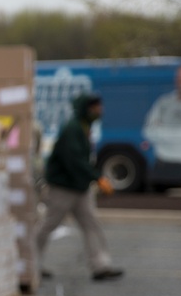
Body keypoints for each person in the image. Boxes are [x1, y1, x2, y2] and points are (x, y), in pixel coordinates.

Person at [35, 93, 122, 281]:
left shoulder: (84, 127)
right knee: (48, 225)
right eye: (96, 107)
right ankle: (30, 265)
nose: (100, 111)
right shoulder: (72, 129)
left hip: (80, 188)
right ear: (86, 109)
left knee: (91, 225)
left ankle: (101, 266)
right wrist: (97, 177)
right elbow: (74, 160)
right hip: (63, 188)